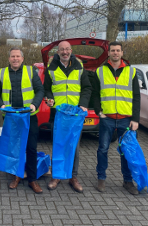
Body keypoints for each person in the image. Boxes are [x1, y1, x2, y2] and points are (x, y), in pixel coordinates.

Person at [43, 41, 92, 193]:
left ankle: (73, 177)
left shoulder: (79, 67)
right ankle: (56, 176)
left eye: (67, 49)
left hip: (75, 115)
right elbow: (46, 89)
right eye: (62, 49)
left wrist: (83, 104)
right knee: (58, 144)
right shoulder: (50, 69)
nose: (64, 52)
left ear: (71, 50)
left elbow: (87, 88)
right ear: (58, 52)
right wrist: (49, 98)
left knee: (74, 147)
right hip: (58, 114)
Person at [93, 41, 141, 195]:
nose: (115, 53)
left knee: (126, 151)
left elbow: (136, 97)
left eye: (118, 50)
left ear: (122, 53)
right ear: (108, 53)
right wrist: (98, 111)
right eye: (112, 50)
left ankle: (128, 181)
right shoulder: (100, 71)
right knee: (103, 149)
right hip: (106, 118)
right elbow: (95, 94)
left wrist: (135, 119)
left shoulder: (131, 71)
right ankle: (101, 178)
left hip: (126, 119)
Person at [0, 47, 45, 194]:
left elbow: (40, 90)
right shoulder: (2, 72)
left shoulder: (31, 71)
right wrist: (0, 104)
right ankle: (16, 176)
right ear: (9, 58)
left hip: (29, 117)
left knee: (31, 148)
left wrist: (34, 104)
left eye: (18, 56)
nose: (15, 59)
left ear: (22, 59)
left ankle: (32, 179)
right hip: (11, 118)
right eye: (12, 56)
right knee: (15, 148)